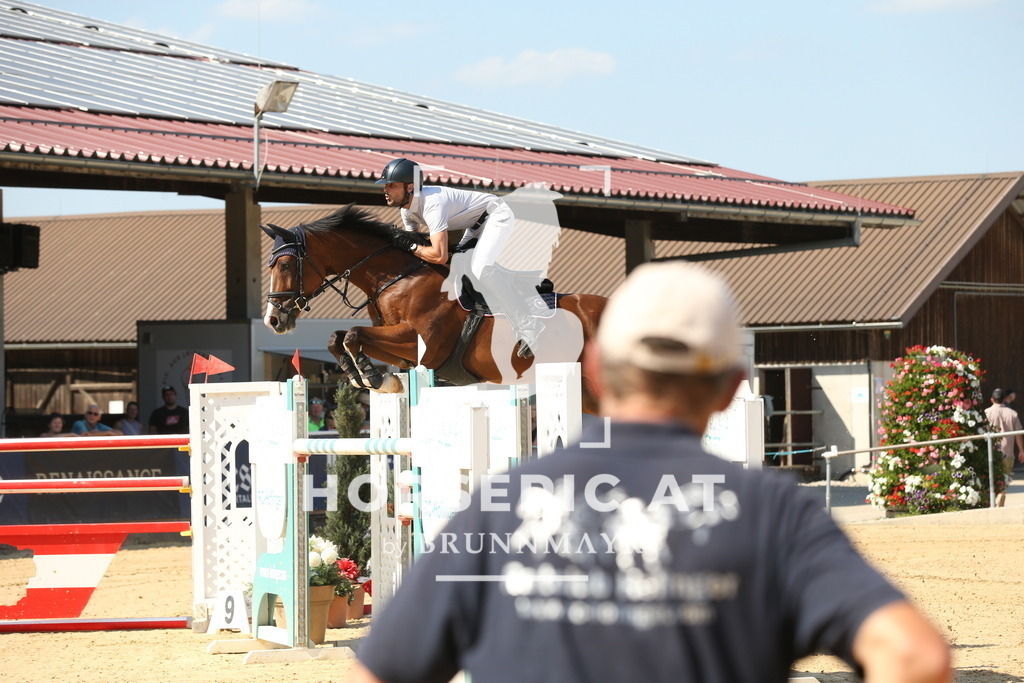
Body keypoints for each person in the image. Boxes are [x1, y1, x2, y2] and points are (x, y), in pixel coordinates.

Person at [351, 262, 951, 683]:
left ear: (597, 373)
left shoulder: (502, 502)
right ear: (729, 392)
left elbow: (380, 672)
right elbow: (916, 658)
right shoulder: (774, 512)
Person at [376, 157, 545, 359]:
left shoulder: (432, 203)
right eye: (385, 185)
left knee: (480, 267)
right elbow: (418, 250)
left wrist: (411, 245)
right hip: (473, 225)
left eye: (391, 185)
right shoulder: (407, 211)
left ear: (410, 187)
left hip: (496, 215)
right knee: (456, 264)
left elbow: (437, 255)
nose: (385, 189)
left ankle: (528, 325)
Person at [984, 388, 1024, 499]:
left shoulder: (986, 413)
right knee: (1004, 477)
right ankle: (1001, 493)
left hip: (991, 451)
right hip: (1008, 451)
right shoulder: (1012, 413)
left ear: (991, 399)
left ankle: (994, 496)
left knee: (991, 477)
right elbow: (1018, 434)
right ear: (1004, 400)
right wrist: (1021, 450)